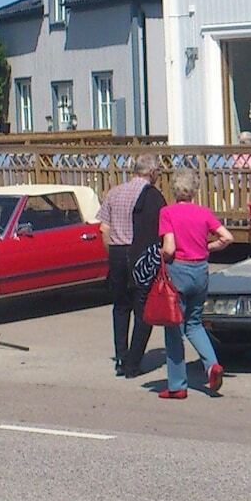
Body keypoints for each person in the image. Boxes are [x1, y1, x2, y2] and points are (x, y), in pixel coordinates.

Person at [157, 170, 233, 399]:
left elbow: (169, 248)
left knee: (174, 329)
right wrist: (207, 248)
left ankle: (177, 385)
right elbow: (227, 237)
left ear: (174, 190)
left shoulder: (167, 212)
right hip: (201, 270)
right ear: (194, 190)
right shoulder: (203, 213)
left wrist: (159, 254)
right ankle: (212, 365)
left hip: (178, 270)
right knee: (195, 323)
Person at [97, 154, 163, 378]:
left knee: (120, 306)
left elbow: (103, 229)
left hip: (116, 251)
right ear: (152, 173)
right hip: (139, 252)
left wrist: (112, 253)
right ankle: (133, 363)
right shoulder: (152, 196)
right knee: (142, 307)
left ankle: (121, 356)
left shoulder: (114, 192)